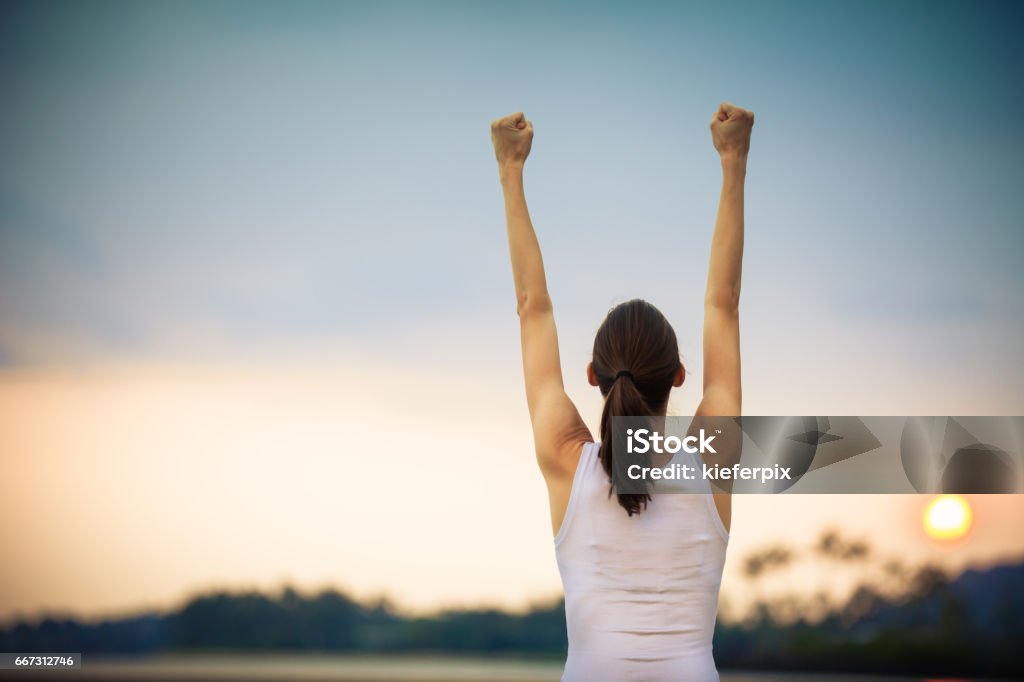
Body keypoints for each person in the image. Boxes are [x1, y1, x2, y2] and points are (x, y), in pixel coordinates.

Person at [490, 102, 753, 681]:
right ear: (679, 376)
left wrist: (511, 170)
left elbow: (532, 309)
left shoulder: (567, 461)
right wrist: (733, 162)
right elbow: (723, 307)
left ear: (593, 374)